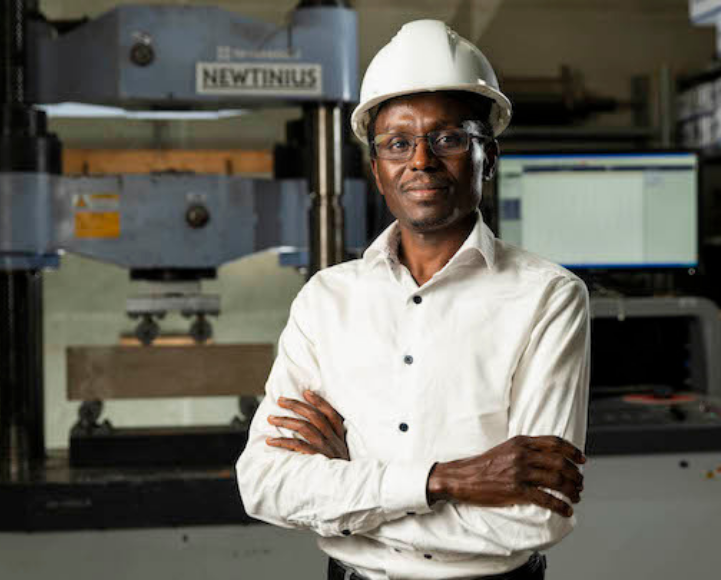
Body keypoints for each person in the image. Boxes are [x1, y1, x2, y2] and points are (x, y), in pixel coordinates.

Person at [236, 19, 590, 580]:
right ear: (377, 170)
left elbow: (534, 516)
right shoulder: (326, 300)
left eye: (448, 138)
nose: (420, 161)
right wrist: (447, 480)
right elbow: (265, 485)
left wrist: (344, 500)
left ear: (488, 157)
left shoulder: (546, 297)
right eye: (398, 143)